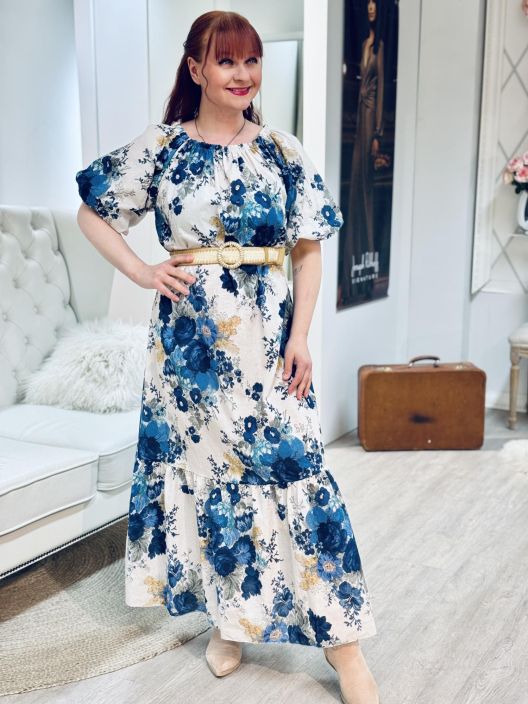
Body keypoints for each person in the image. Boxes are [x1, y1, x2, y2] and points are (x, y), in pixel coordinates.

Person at [75, 10, 380, 704]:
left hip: (268, 343)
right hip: (188, 354)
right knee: (209, 480)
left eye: (251, 61)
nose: (242, 75)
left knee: (299, 475)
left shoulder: (281, 150)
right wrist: (142, 271)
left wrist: (300, 335)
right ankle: (230, 623)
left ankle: (345, 648)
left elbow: (308, 250)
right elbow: (93, 211)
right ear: (196, 69)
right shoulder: (163, 148)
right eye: (226, 61)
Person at [339, 0, 385, 306]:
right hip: (358, 119)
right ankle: (351, 274)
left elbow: (381, 93)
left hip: (370, 122)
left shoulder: (379, 46)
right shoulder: (363, 44)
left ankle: (364, 274)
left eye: (374, 3)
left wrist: (377, 133)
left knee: (366, 193)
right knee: (355, 193)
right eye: (366, 3)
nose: (370, 7)